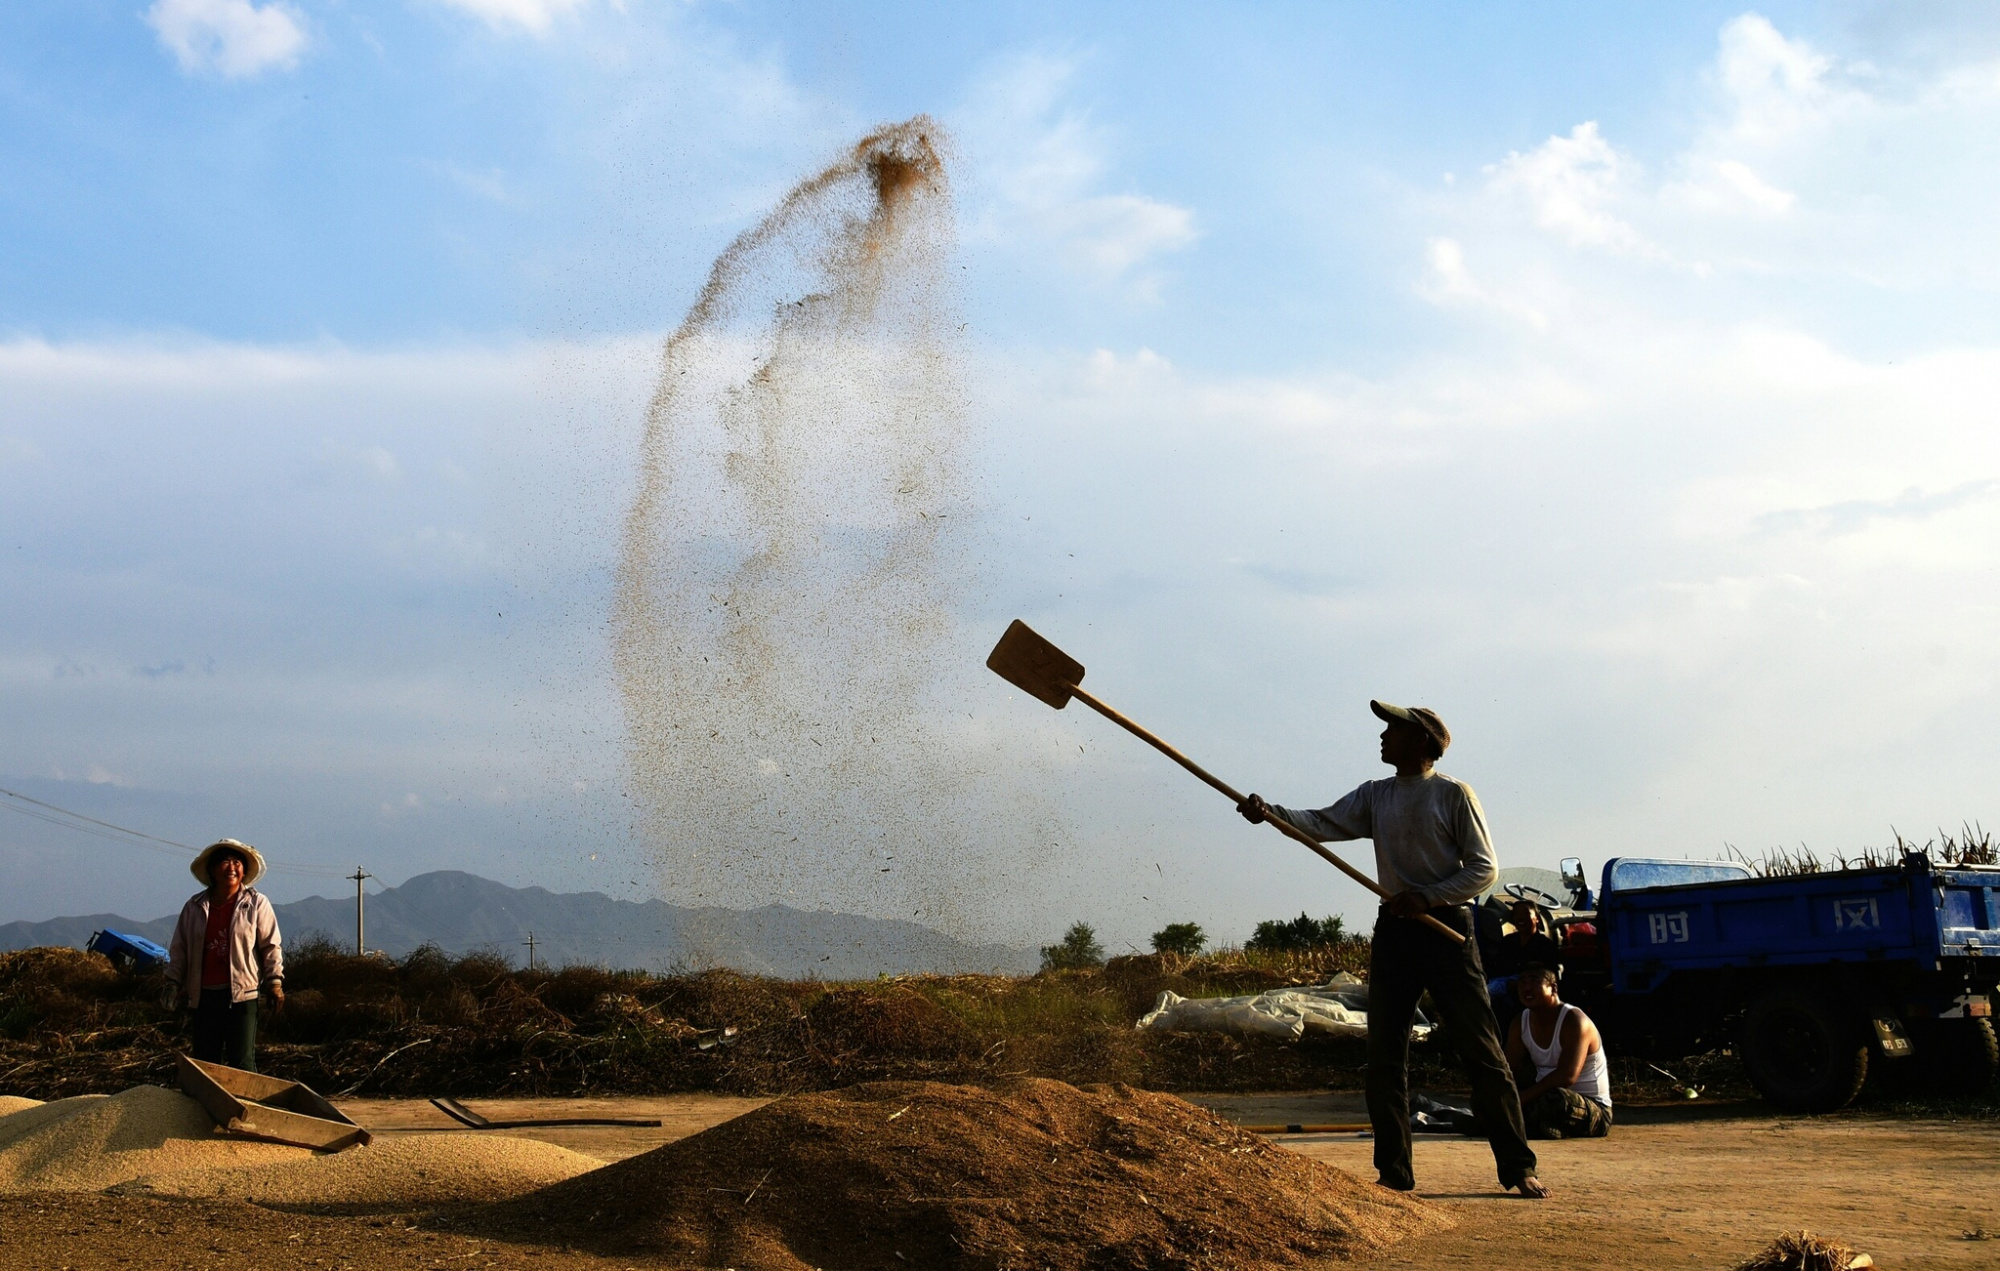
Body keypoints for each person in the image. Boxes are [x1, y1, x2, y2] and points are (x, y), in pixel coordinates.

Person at [1238, 700, 1547, 1198]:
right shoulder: (1376, 796)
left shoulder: (1452, 795)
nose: (1383, 737)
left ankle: (1518, 1167)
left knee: (1482, 1053)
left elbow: (1483, 868)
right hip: (1397, 932)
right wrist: (1270, 813)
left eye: (1393, 730)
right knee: (1385, 1057)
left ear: (1422, 741)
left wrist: (1428, 895)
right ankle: (1394, 1176)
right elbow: (1320, 823)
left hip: (1447, 928)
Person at [167, 839, 284, 1072]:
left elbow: (271, 946)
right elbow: (180, 948)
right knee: (206, 1063)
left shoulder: (256, 903)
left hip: (242, 996)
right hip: (203, 997)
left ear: (244, 870)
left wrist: (274, 982)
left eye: (237, 862)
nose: (231, 867)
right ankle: (208, 1108)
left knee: (242, 1062)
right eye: (224, 862)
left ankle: (245, 1108)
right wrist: (172, 982)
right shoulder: (194, 907)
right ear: (212, 869)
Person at [1506, 965, 1612, 1139]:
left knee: (1555, 1101)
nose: (1526, 988)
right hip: (1540, 1100)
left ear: (1553, 988)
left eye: (1534, 981)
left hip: (1589, 1108)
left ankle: (1515, 1125)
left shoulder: (1574, 1020)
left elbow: (1567, 1076)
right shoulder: (1520, 1022)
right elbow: (1508, 1068)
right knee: (1493, 1094)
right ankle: (1521, 1124)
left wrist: (1520, 1099)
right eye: (1522, 982)